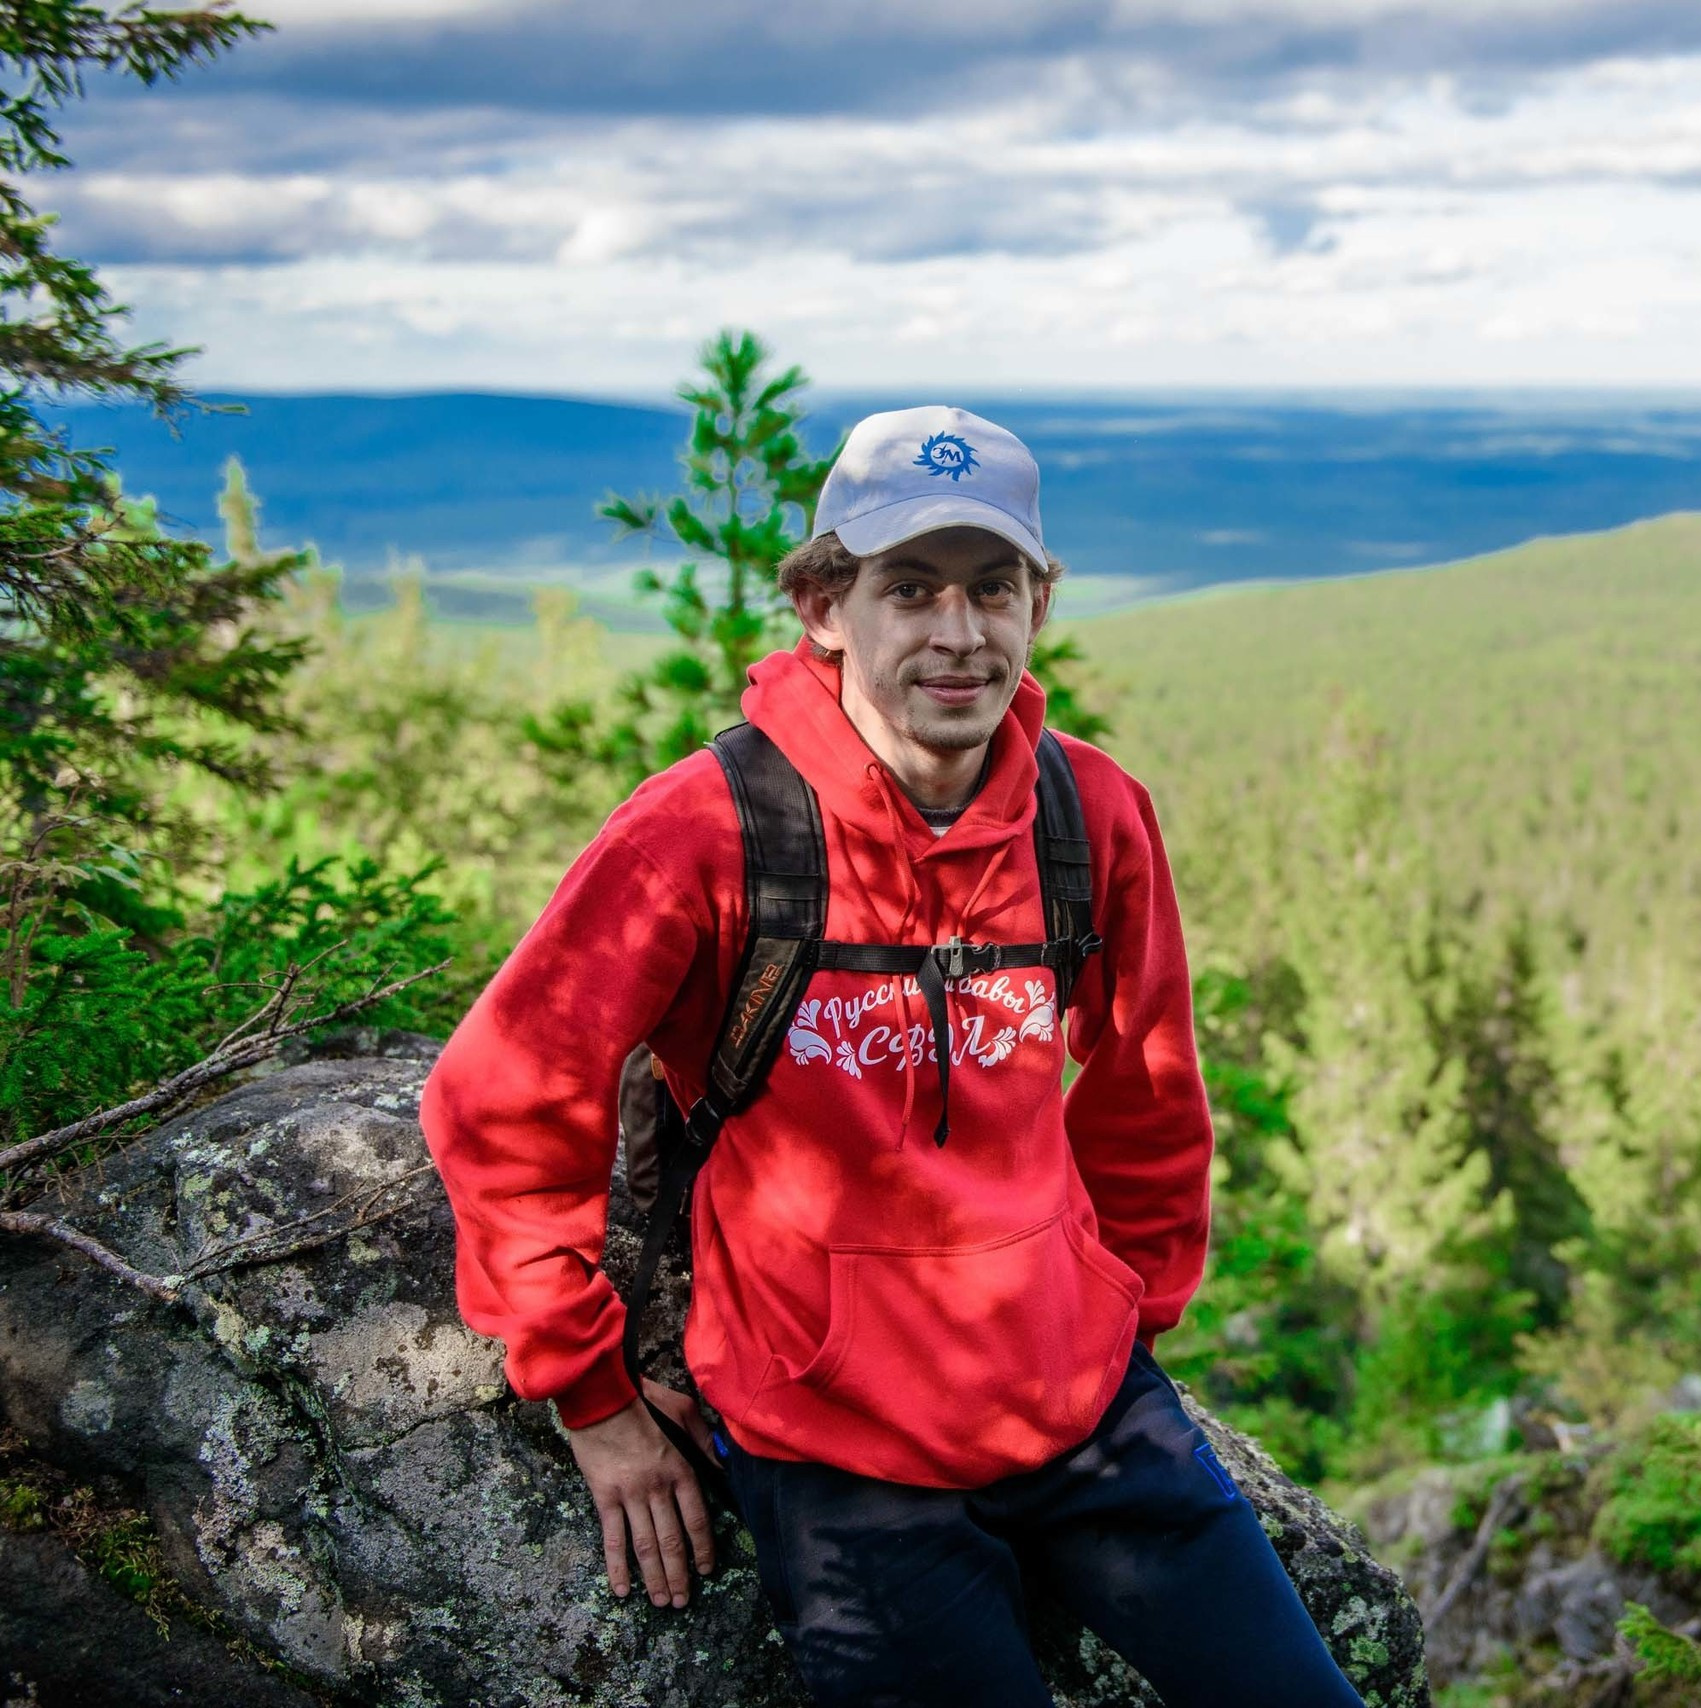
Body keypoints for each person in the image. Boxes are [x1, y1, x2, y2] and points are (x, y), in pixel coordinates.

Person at [422, 407, 1365, 1707]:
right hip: (832, 1442)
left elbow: (1148, 1093)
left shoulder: (1088, 814)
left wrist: (1120, 1310)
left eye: (993, 588)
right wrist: (590, 1398)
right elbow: (499, 1098)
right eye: (908, 589)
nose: (957, 633)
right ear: (822, 602)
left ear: (1040, 600)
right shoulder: (707, 830)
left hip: (1086, 1411)